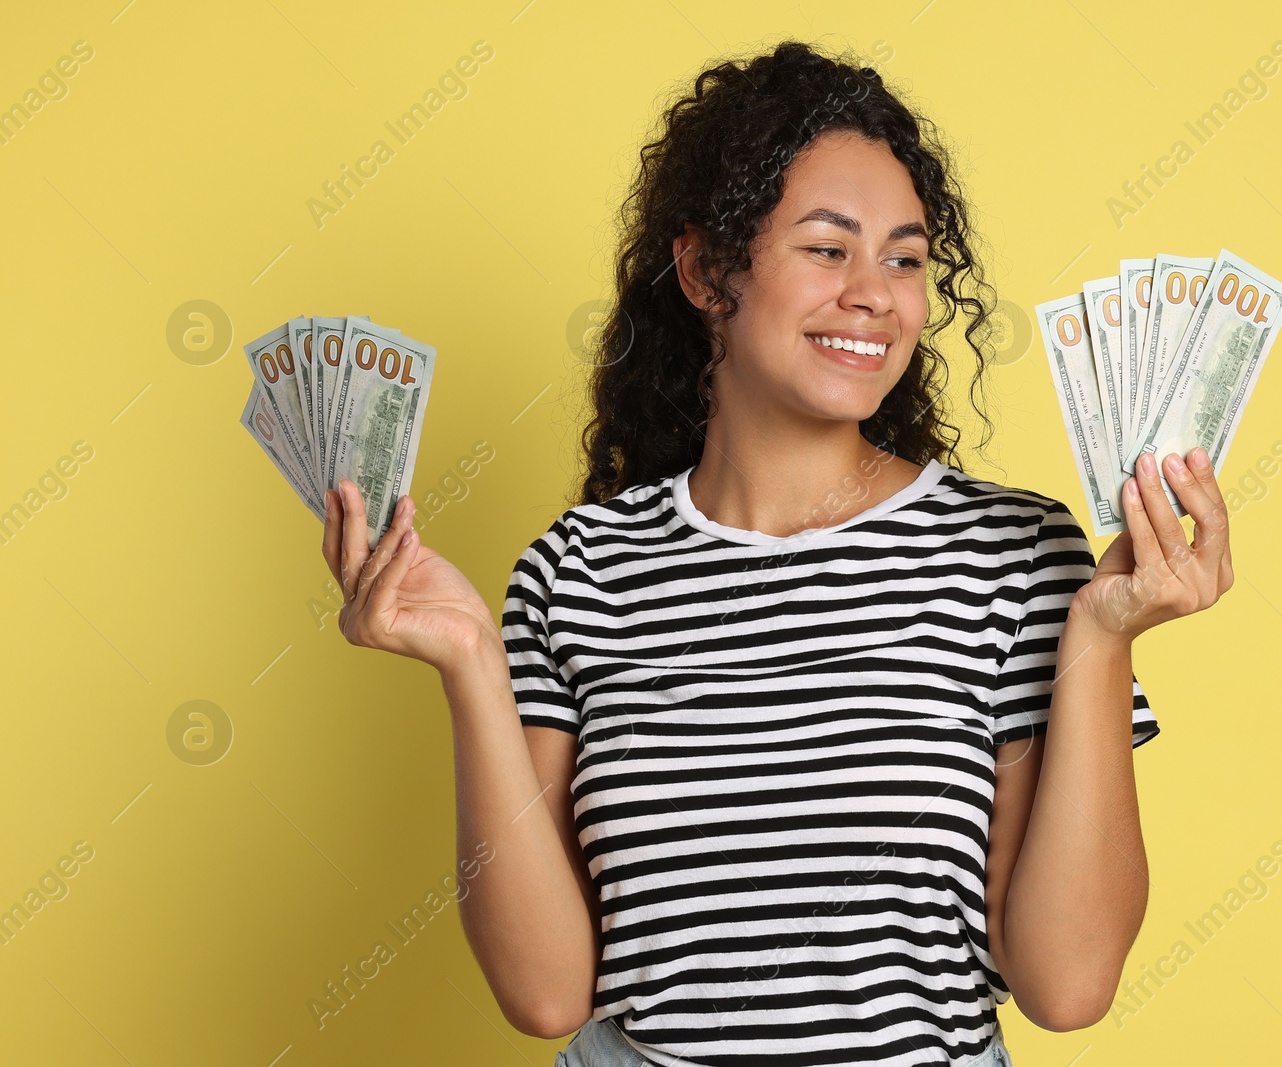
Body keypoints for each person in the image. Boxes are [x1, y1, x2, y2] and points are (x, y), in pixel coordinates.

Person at [319, 40, 1232, 1067]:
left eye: (903, 256)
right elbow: (544, 992)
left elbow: (1065, 986)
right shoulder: (578, 573)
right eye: (827, 248)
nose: (876, 294)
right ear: (709, 269)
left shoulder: (1011, 556)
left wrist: (1102, 638)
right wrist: (471, 663)